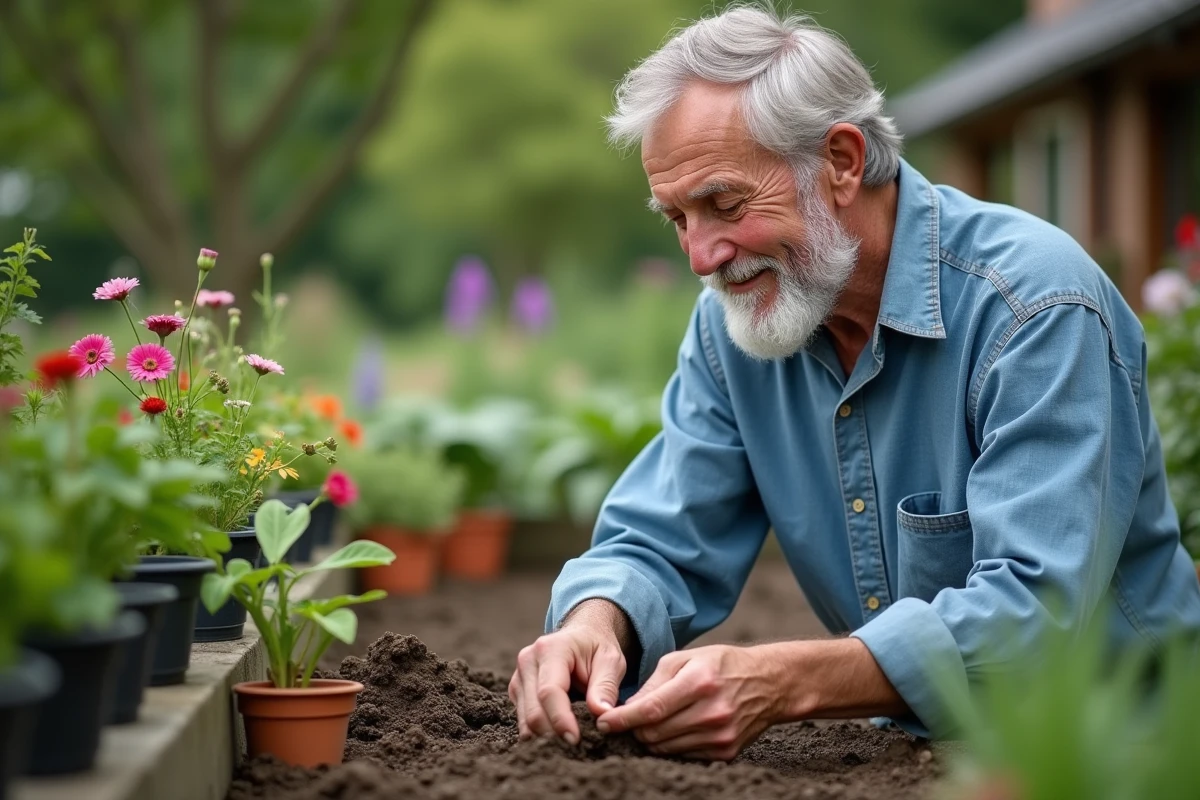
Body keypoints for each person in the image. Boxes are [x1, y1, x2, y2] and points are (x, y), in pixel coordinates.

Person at [508, 5, 1200, 761]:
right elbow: (660, 534)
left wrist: (786, 678)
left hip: (1125, 753)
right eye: (677, 217)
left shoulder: (1034, 306)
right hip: (921, 757)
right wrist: (593, 624)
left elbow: (1034, 612)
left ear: (840, 161)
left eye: (724, 203)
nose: (702, 255)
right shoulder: (735, 326)